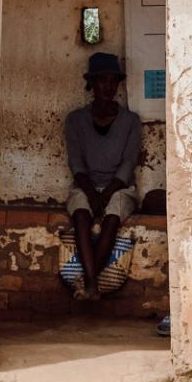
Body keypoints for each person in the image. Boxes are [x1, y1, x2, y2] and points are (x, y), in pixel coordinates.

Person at [63, 52, 141, 298]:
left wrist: (106, 195)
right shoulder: (75, 120)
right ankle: (92, 286)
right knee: (81, 216)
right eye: (101, 80)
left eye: (112, 80)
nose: (107, 86)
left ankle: (89, 284)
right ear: (91, 84)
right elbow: (76, 162)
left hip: (119, 188)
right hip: (85, 186)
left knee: (111, 219)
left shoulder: (130, 121)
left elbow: (128, 163)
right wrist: (91, 194)